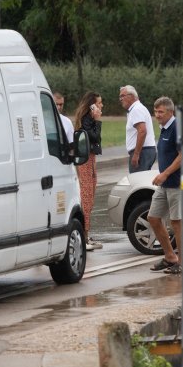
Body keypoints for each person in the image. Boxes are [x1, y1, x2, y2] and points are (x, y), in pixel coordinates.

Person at [147, 96, 183, 275]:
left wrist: (165, 173)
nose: (157, 115)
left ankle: (182, 262)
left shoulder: (177, 128)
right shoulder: (164, 128)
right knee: (153, 218)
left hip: (177, 183)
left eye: (160, 112)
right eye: (155, 111)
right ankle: (170, 257)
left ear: (170, 112)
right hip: (165, 183)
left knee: (177, 222)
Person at [73, 92, 103, 250]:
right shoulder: (87, 120)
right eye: (99, 103)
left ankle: (86, 234)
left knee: (90, 195)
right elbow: (95, 137)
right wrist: (97, 121)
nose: (101, 106)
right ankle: (84, 236)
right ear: (91, 106)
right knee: (86, 195)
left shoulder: (89, 120)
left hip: (91, 158)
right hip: (86, 159)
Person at [118, 85, 156, 173]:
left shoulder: (136, 109)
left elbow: (142, 131)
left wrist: (136, 154)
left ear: (131, 96)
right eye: (120, 96)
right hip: (145, 151)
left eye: (122, 96)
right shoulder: (136, 108)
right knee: (142, 182)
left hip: (142, 152)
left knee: (137, 183)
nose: (120, 99)